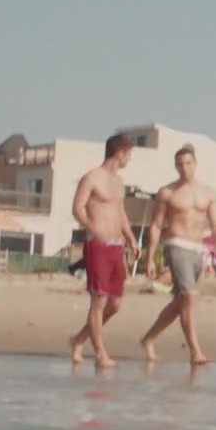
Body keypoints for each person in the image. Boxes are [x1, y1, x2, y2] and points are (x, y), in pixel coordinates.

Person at [140, 145, 216, 366]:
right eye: (180, 164)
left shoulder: (208, 192)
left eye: (188, 163)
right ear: (175, 166)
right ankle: (195, 352)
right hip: (176, 245)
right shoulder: (167, 192)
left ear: (195, 164)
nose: (184, 168)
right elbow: (155, 224)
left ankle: (149, 339)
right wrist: (150, 257)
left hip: (197, 249)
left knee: (181, 302)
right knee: (189, 297)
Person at [67, 134, 138, 367]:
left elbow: (120, 211)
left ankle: (79, 339)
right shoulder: (92, 177)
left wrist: (131, 237)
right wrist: (93, 229)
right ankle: (100, 353)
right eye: (129, 154)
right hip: (97, 244)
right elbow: (77, 208)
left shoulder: (119, 182)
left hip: (117, 245)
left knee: (115, 303)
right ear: (120, 152)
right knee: (99, 299)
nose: (129, 159)